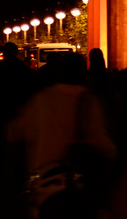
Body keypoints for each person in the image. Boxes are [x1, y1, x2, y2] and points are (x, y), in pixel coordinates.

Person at [10, 52, 117, 218]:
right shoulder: (89, 101)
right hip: (77, 181)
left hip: (44, 180)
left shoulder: (42, 99)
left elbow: (15, 132)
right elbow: (101, 141)